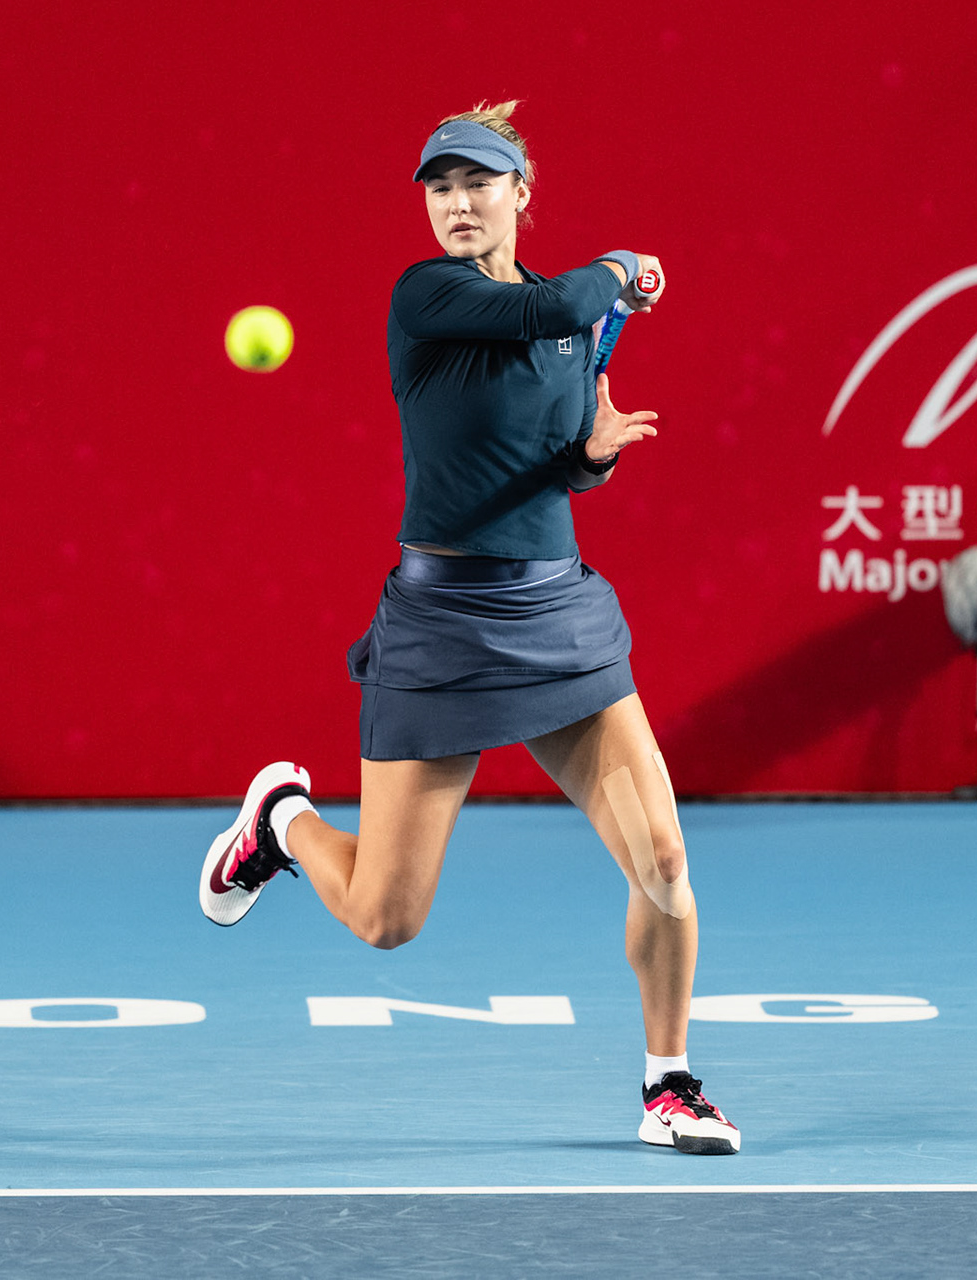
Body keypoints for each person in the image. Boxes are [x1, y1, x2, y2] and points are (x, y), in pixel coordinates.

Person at [200, 101, 739, 1156]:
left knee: (665, 861)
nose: (455, 203)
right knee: (386, 918)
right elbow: (554, 313)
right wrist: (623, 270)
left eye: (477, 183)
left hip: (557, 614)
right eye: (440, 187)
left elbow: (543, 461)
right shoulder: (431, 296)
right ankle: (282, 820)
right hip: (443, 625)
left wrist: (592, 456)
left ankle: (669, 1082)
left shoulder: (560, 318)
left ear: (519, 197)